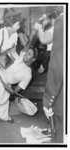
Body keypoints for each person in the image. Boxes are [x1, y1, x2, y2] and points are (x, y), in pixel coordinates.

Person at [42, 12, 64, 143]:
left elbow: (59, 66)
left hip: (63, 97)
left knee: (61, 136)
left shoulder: (63, 21)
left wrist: (48, 101)